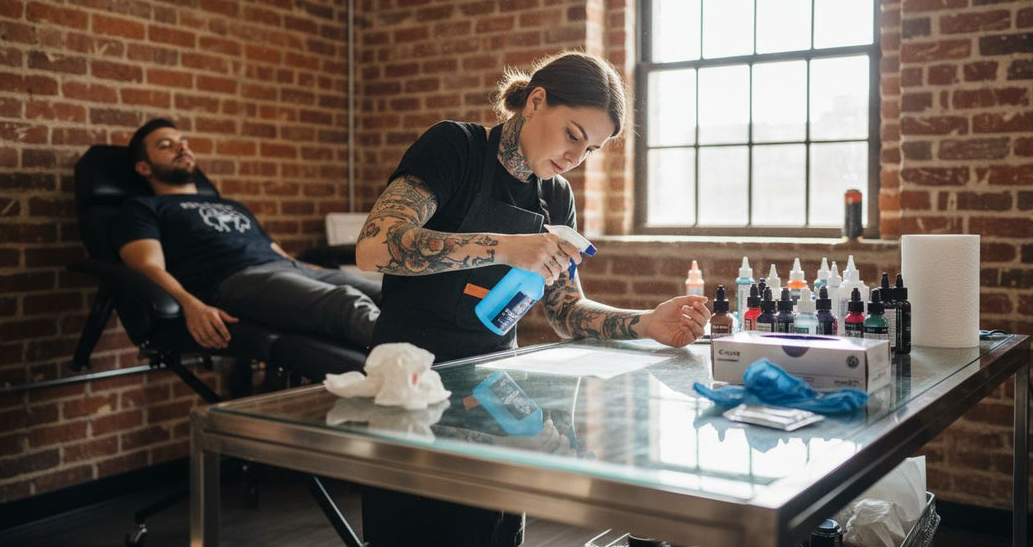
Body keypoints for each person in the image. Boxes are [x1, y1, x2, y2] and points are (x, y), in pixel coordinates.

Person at [354, 51, 712, 546]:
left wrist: (646, 322)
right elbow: (375, 246)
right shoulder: (455, 147)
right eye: (572, 135)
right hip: (410, 384)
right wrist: (503, 245)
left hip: (493, 391)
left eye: (590, 149)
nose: (575, 158)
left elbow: (566, 312)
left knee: (493, 533)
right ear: (536, 102)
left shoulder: (555, 196)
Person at [111, 118, 380, 353]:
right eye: (166, 145)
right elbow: (146, 266)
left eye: (183, 141)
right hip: (238, 280)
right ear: (144, 168)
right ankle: (414, 368)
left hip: (291, 269)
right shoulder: (144, 208)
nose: (182, 147)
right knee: (347, 304)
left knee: (387, 292)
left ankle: (413, 363)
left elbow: (276, 251)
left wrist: (313, 270)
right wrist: (192, 306)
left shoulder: (231, 205)